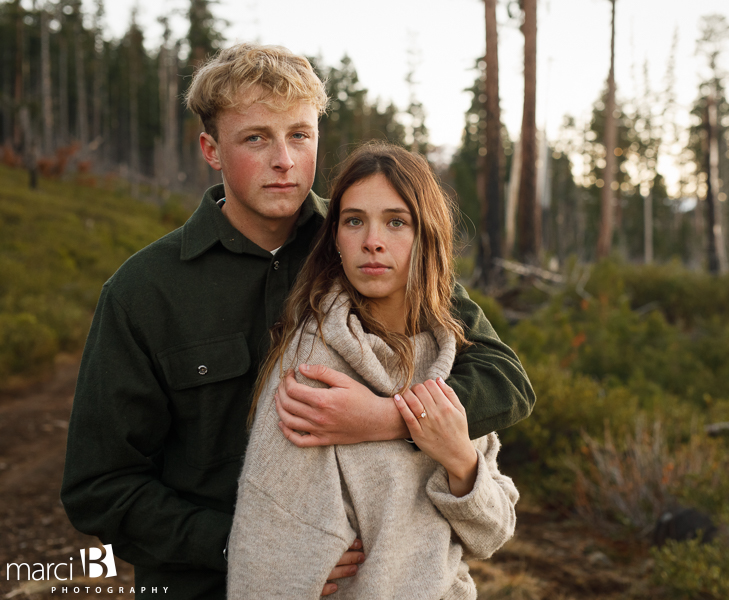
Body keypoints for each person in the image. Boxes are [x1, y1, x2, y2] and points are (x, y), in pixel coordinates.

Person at [61, 43, 534, 600]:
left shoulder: (364, 244)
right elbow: (100, 487)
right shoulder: (145, 291)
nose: (283, 159)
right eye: (256, 138)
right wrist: (258, 543)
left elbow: (505, 381)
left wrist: (387, 418)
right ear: (211, 149)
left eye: (300, 135)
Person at [227, 143, 518, 599]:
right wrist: (295, 567)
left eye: (396, 222)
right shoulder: (314, 369)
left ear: (428, 236)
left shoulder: (456, 361)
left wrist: (458, 457)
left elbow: (492, 534)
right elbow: (271, 534)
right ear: (336, 238)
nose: (372, 241)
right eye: (354, 220)